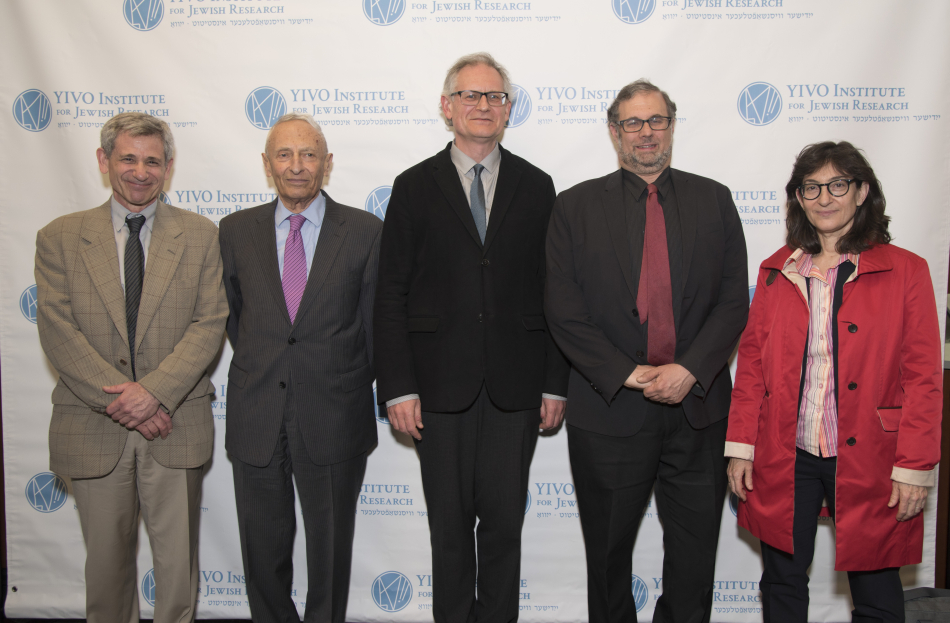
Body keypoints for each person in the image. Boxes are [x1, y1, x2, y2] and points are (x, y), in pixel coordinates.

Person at [374, 52, 570, 623]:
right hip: (437, 389)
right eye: (470, 95)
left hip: (517, 387)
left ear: (508, 109)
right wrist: (398, 386)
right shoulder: (413, 186)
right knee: (450, 529)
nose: (483, 105)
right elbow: (390, 295)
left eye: (495, 96)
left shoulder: (538, 186)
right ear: (447, 106)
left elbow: (555, 292)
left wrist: (555, 383)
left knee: (506, 527)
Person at [544, 79, 749, 623]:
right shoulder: (574, 206)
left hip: (698, 409)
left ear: (672, 125)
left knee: (694, 557)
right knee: (607, 557)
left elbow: (734, 300)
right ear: (614, 132)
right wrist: (629, 374)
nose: (646, 132)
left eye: (657, 120)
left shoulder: (715, 199)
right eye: (633, 122)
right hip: (609, 409)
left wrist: (691, 369)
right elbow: (563, 309)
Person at [726, 141, 942, 621]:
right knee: (781, 580)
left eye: (837, 185)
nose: (824, 198)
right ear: (799, 198)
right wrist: (741, 447)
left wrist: (914, 467)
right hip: (789, 451)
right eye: (811, 187)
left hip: (872, 454)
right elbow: (753, 366)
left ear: (861, 192)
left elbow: (923, 379)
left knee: (876, 588)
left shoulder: (907, 271)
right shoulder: (777, 271)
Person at [34, 112, 228, 623]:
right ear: (104, 161)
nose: (141, 172)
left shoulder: (201, 235)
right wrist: (127, 401)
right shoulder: (59, 237)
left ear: (168, 166)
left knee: (178, 572)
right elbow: (58, 330)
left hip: (175, 423)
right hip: (93, 425)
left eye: (153, 161)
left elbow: (209, 323)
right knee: (106, 571)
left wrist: (154, 393)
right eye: (128, 159)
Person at [218, 113, 381, 623]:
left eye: (309, 154)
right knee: (262, 551)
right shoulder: (235, 230)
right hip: (257, 410)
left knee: (330, 552)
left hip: (334, 414)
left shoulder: (365, 231)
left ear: (327, 164)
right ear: (267, 164)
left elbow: (374, 326)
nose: (296, 166)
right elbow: (236, 316)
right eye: (284, 155)